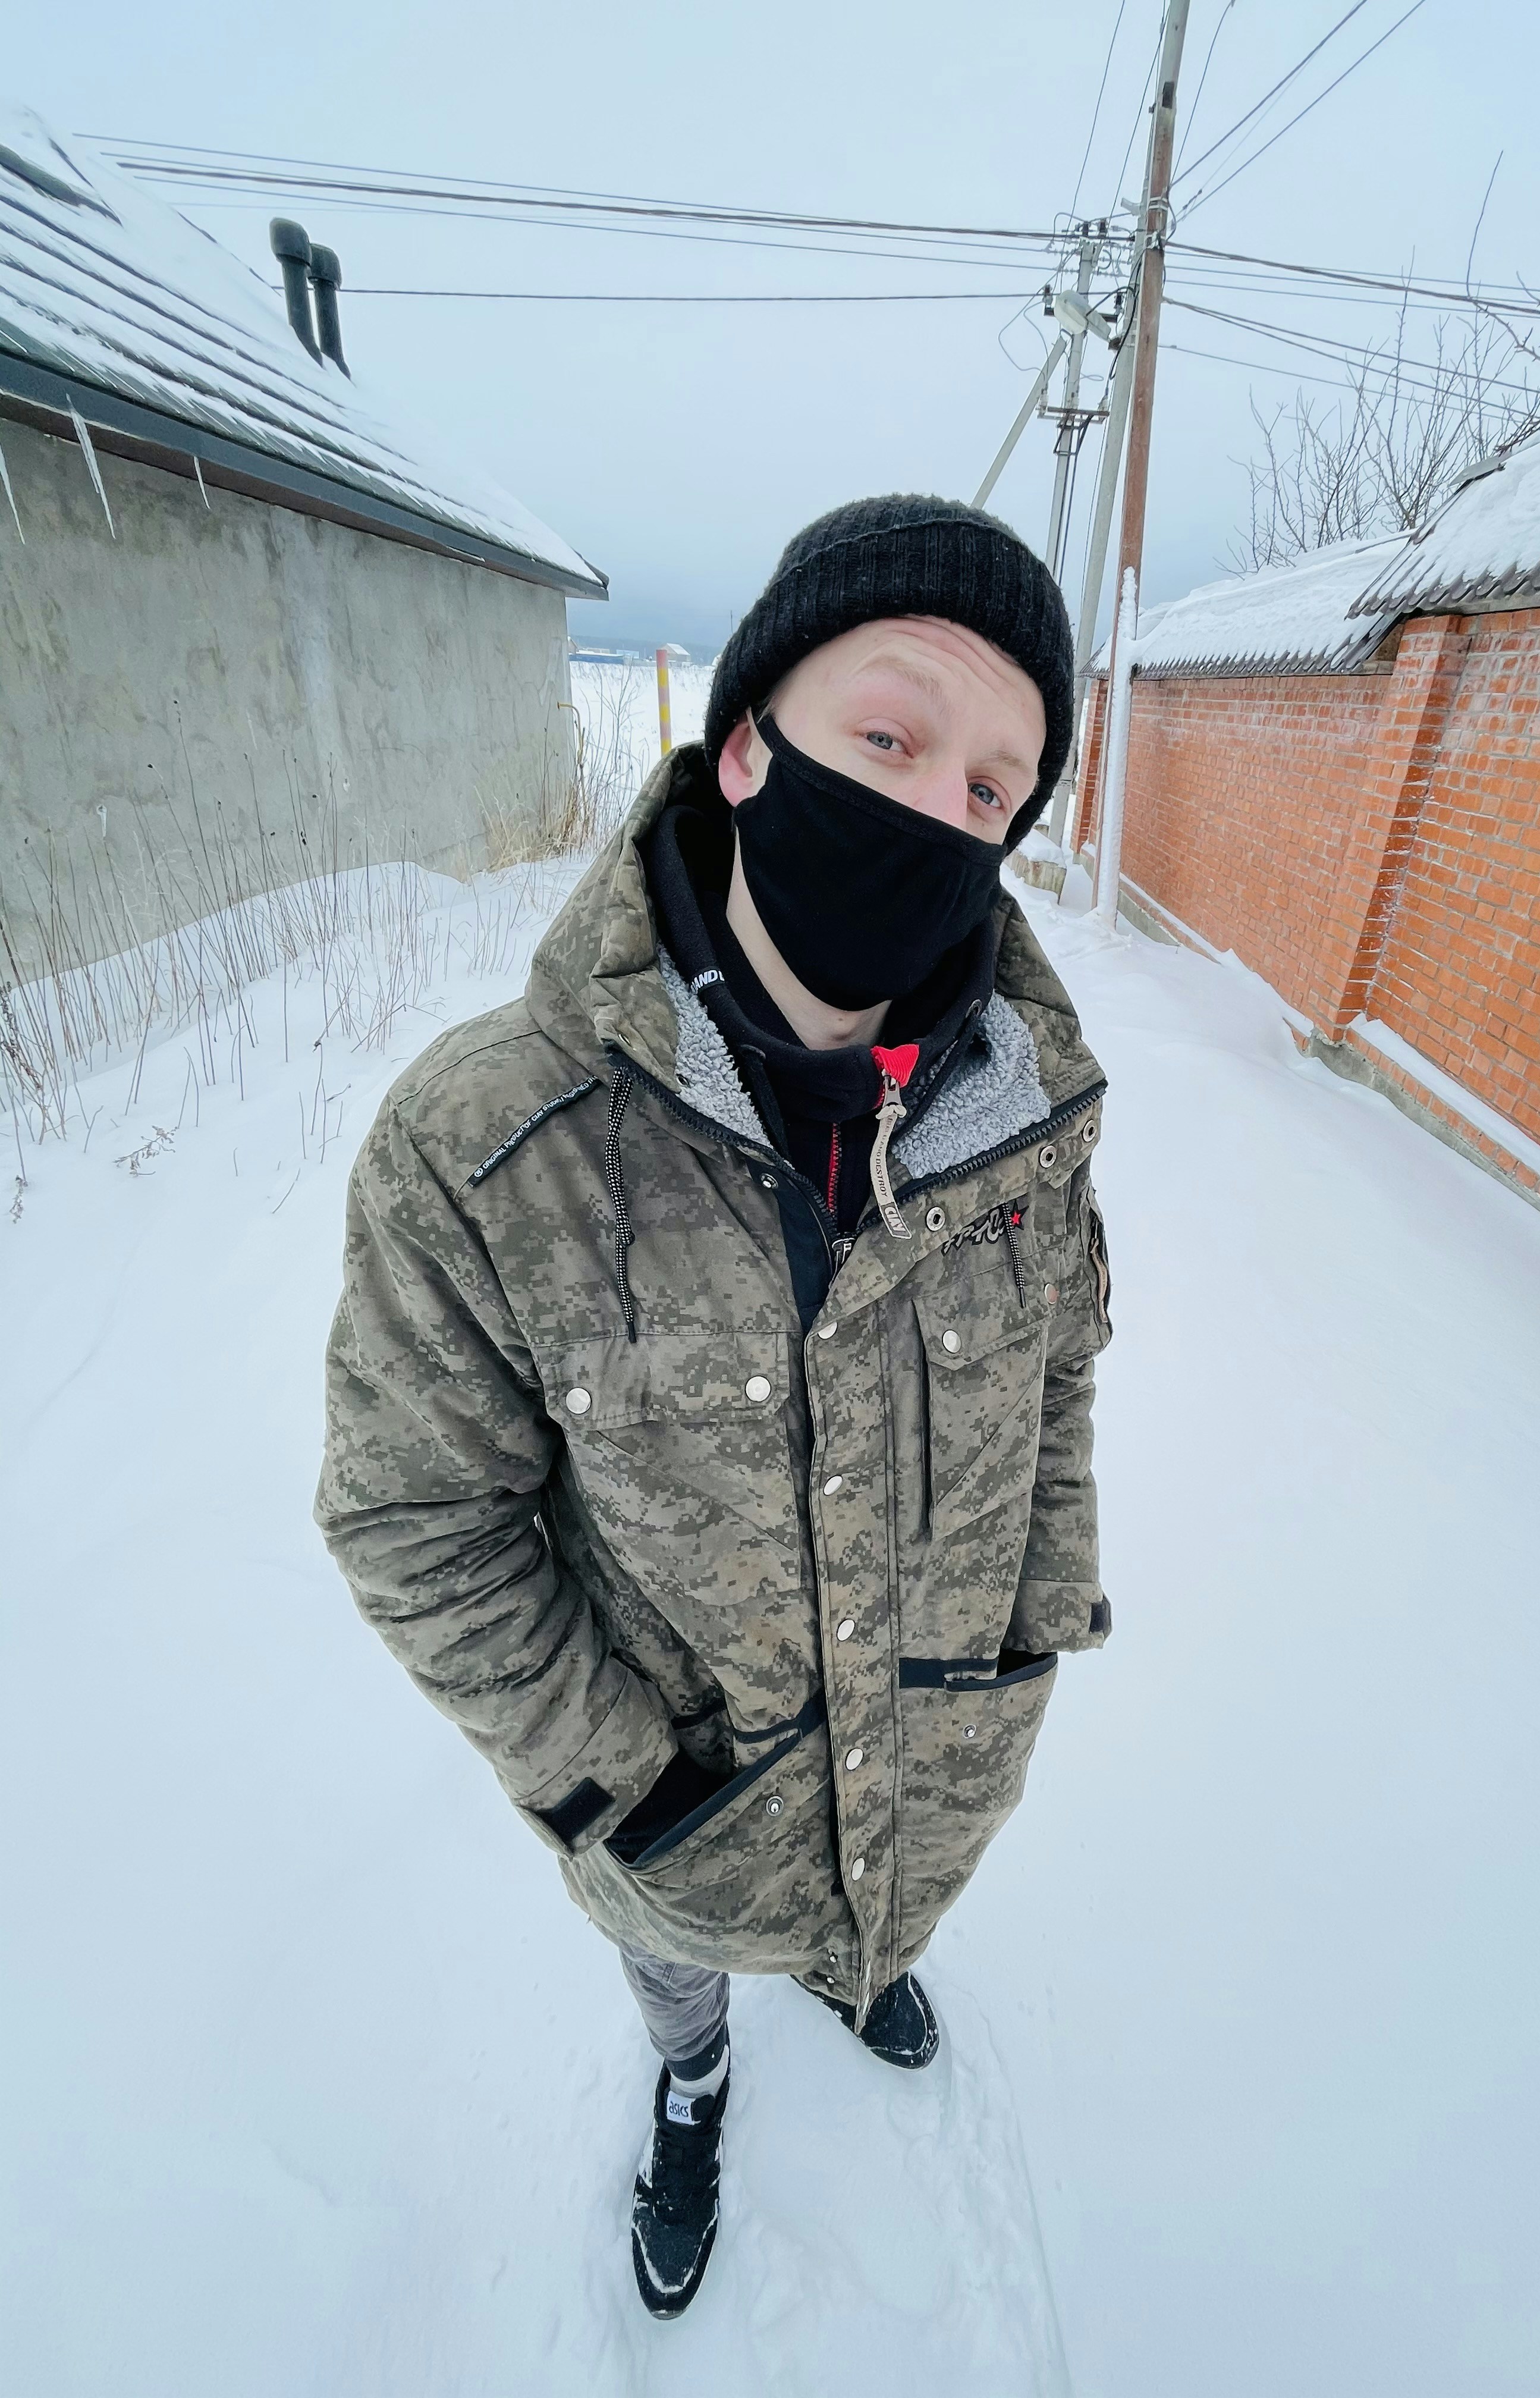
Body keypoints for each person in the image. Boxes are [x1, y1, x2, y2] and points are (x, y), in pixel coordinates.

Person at [315, 494, 1113, 2319]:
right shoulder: (488, 1143)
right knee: (679, 1963)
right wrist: (624, 1786)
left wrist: (1029, 1628)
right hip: (680, 1805)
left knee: (872, 1899)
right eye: (890, 736)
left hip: (928, 1761)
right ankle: (693, 2076)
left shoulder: (1023, 1118)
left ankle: (856, 1951)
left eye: (993, 788)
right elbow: (413, 1518)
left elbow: (1060, 1382)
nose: (940, 811)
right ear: (747, 745)